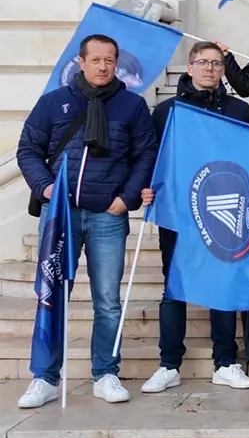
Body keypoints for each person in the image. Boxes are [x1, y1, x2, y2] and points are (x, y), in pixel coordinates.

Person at [17, 34, 158, 408]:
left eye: (109, 60)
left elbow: (146, 155)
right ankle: (45, 378)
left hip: (107, 217)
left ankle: (106, 373)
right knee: (51, 296)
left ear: (116, 64)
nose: (102, 66)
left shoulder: (132, 106)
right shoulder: (54, 103)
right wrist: (45, 188)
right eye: (95, 60)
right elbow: (29, 148)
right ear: (81, 61)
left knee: (108, 301)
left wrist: (124, 199)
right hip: (59, 215)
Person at [141, 42, 249, 394]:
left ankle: (226, 362)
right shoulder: (166, 111)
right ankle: (169, 364)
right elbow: (150, 156)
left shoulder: (239, 109)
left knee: (223, 284)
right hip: (178, 211)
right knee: (174, 286)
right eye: (202, 62)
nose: (209, 68)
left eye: (216, 63)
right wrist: (146, 188)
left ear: (223, 69)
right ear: (189, 68)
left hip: (223, 210)